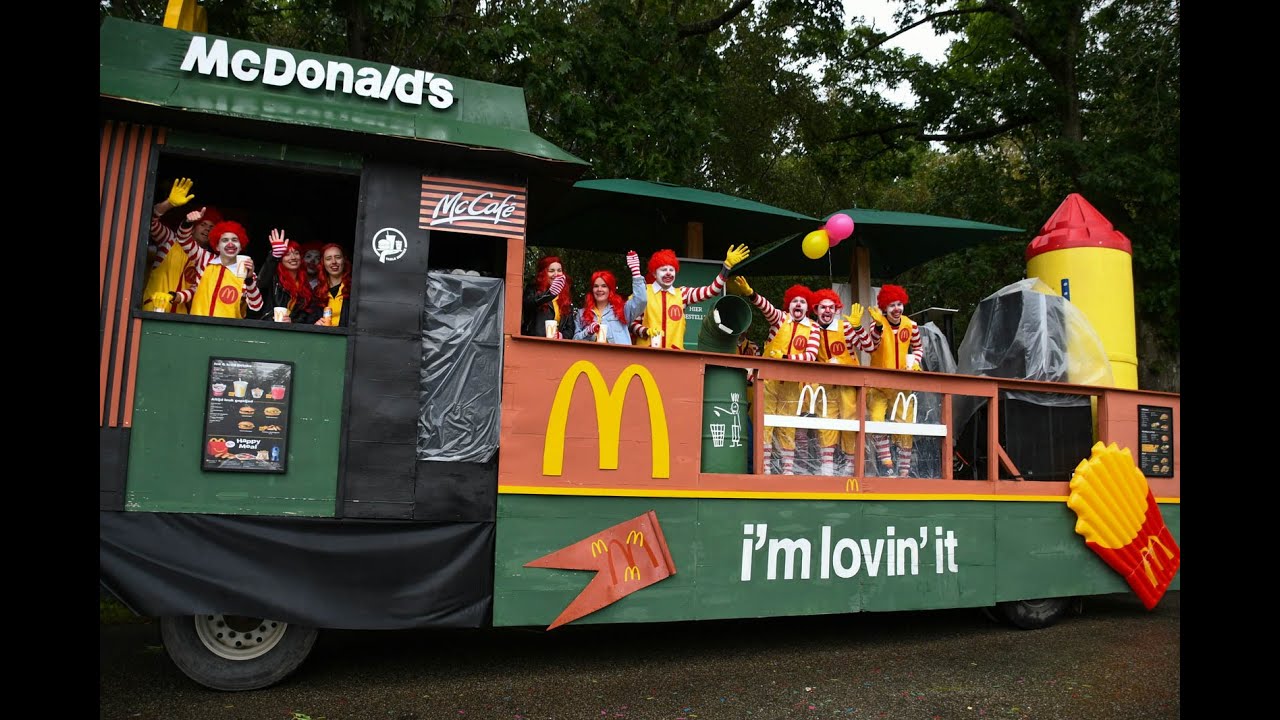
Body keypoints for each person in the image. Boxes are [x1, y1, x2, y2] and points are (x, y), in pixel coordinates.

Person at [729, 277, 817, 475]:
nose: (798, 304)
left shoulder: (813, 328)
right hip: (768, 381)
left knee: (788, 428)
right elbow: (766, 307)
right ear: (789, 305)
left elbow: (811, 355)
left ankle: (787, 470)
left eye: (802, 302)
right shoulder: (780, 319)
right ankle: (765, 467)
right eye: (795, 301)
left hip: (793, 384)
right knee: (765, 424)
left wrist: (786, 357)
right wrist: (752, 294)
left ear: (807, 307)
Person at [629, 244, 751, 349]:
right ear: (654, 273)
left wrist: (726, 267)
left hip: (675, 358)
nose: (668, 273)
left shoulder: (682, 294)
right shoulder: (643, 292)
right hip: (647, 356)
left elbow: (711, 291)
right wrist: (645, 331)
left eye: (671, 270)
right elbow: (631, 323)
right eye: (663, 269)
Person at [809, 289, 875, 476]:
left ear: (837, 310)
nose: (827, 311)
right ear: (816, 309)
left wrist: (857, 327)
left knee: (850, 423)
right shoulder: (812, 330)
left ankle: (850, 464)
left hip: (848, 386)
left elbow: (868, 347)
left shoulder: (845, 328)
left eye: (831, 307)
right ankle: (827, 466)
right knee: (826, 425)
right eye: (823, 307)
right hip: (825, 387)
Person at [864, 284, 925, 477]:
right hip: (878, 385)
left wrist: (914, 360)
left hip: (901, 385)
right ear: (884, 308)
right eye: (892, 305)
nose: (896, 309)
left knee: (905, 426)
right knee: (876, 420)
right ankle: (887, 464)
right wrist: (878, 328)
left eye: (899, 304)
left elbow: (918, 348)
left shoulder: (911, 325)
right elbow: (871, 347)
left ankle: (904, 470)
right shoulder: (877, 324)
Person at [140, 177, 223, 313]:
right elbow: (149, 222)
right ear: (194, 226)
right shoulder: (170, 240)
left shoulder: (211, 261)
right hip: (154, 308)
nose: (207, 229)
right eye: (203, 224)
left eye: (211, 227)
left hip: (183, 318)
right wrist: (169, 204)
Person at [165, 213, 263, 318]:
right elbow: (183, 240)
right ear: (217, 246)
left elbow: (256, 306)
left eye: (235, 240)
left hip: (227, 331)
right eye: (225, 240)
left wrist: (249, 280)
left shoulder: (247, 273)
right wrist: (188, 222)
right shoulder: (204, 258)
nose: (230, 243)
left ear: (240, 247)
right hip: (197, 326)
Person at [573, 251, 647, 344]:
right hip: (590, 357)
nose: (599, 289)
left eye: (604, 286)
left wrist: (636, 274)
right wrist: (587, 332)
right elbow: (574, 341)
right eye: (596, 286)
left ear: (610, 290)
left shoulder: (622, 310)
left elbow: (641, 300)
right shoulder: (581, 313)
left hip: (618, 357)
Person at [256, 228, 321, 323]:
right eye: (287, 254)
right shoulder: (274, 278)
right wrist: (274, 256)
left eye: (296, 253)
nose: (293, 257)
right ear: (281, 259)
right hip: (269, 328)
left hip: (292, 334)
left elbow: (305, 314)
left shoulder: (304, 284)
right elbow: (261, 282)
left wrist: (292, 322)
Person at [522, 256, 573, 338]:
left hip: (556, 347)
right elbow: (528, 303)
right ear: (543, 274)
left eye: (559, 271)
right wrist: (550, 294)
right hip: (533, 344)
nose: (556, 274)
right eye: (551, 271)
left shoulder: (565, 296)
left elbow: (570, 329)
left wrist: (562, 335)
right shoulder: (533, 289)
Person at [313, 243, 352, 327]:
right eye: (328, 258)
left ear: (344, 260)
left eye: (338, 257)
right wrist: (315, 325)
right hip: (323, 338)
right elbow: (309, 319)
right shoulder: (317, 291)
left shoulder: (353, 288)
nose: (334, 262)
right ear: (323, 263)